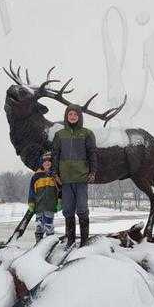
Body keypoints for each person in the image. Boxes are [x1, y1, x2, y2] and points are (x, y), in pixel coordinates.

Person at [52, 104, 97, 247]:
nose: (72, 117)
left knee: (82, 210)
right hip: (65, 179)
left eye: (75, 115)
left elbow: (92, 154)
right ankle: (70, 241)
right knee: (68, 211)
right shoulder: (59, 135)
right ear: (66, 116)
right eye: (70, 114)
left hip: (81, 178)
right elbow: (55, 156)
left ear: (79, 117)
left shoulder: (87, 134)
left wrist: (93, 172)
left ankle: (84, 242)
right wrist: (54, 173)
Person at [27, 151, 61, 243]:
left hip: (50, 205)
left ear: (52, 162)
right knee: (39, 225)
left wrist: (60, 201)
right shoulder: (36, 176)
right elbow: (31, 191)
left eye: (49, 161)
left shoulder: (55, 175)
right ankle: (38, 244)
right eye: (45, 161)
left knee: (48, 225)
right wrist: (31, 202)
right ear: (42, 163)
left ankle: (50, 244)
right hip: (39, 205)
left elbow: (60, 189)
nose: (47, 163)